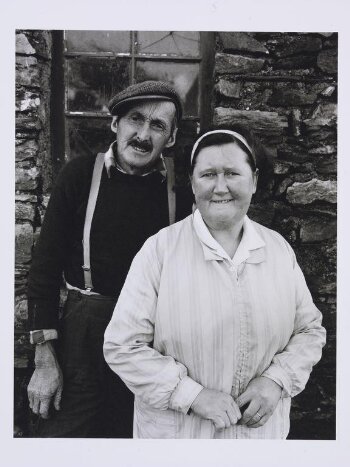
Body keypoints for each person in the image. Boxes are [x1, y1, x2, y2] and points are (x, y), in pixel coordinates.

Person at [103, 126, 326, 439]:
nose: (220, 187)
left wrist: (276, 380)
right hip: (178, 442)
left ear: (255, 180)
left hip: (258, 441)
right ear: (193, 183)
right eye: (208, 174)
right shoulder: (160, 250)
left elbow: (309, 331)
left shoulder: (277, 250)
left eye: (232, 173)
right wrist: (191, 395)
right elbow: (123, 346)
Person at [27, 80, 192, 438]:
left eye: (158, 126)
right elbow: (42, 272)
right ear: (116, 124)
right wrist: (44, 359)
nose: (143, 135)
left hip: (151, 344)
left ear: (172, 138)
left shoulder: (182, 191)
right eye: (135, 119)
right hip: (83, 337)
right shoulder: (80, 175)